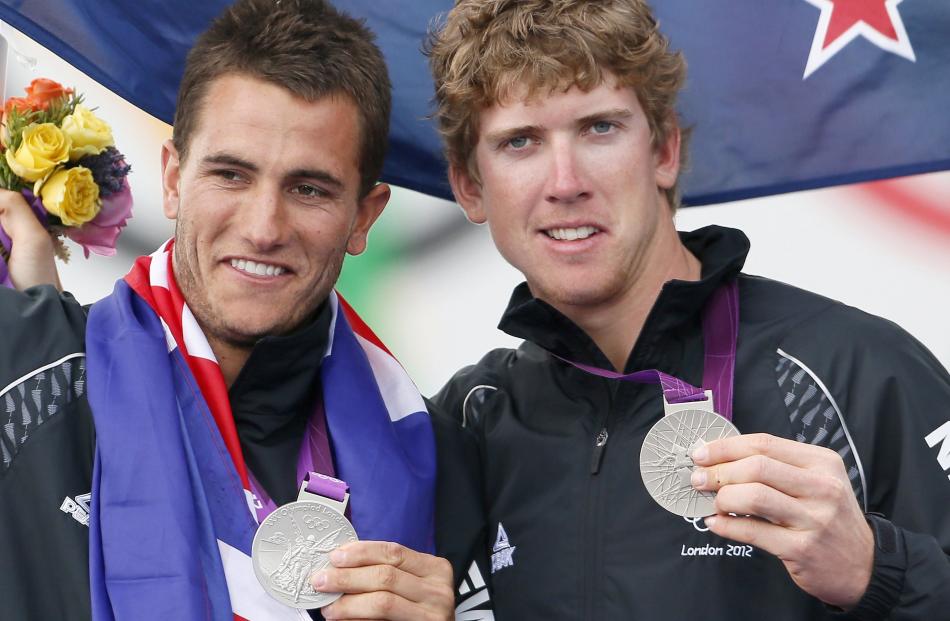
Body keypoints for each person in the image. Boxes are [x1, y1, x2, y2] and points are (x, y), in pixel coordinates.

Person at [426, 0, 950, 618]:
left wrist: (876, 569)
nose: (565, 182)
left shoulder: (854, 371)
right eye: (520, 142)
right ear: (469, 186)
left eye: (600, 128)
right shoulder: (462, 426)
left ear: (664, 150)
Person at [0, 1, 482, 619]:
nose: (262, 228)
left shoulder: (444, 463)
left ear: (364, 217)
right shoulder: (26, 372)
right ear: (172, 177)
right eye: (231, 175)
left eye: (309, 189)